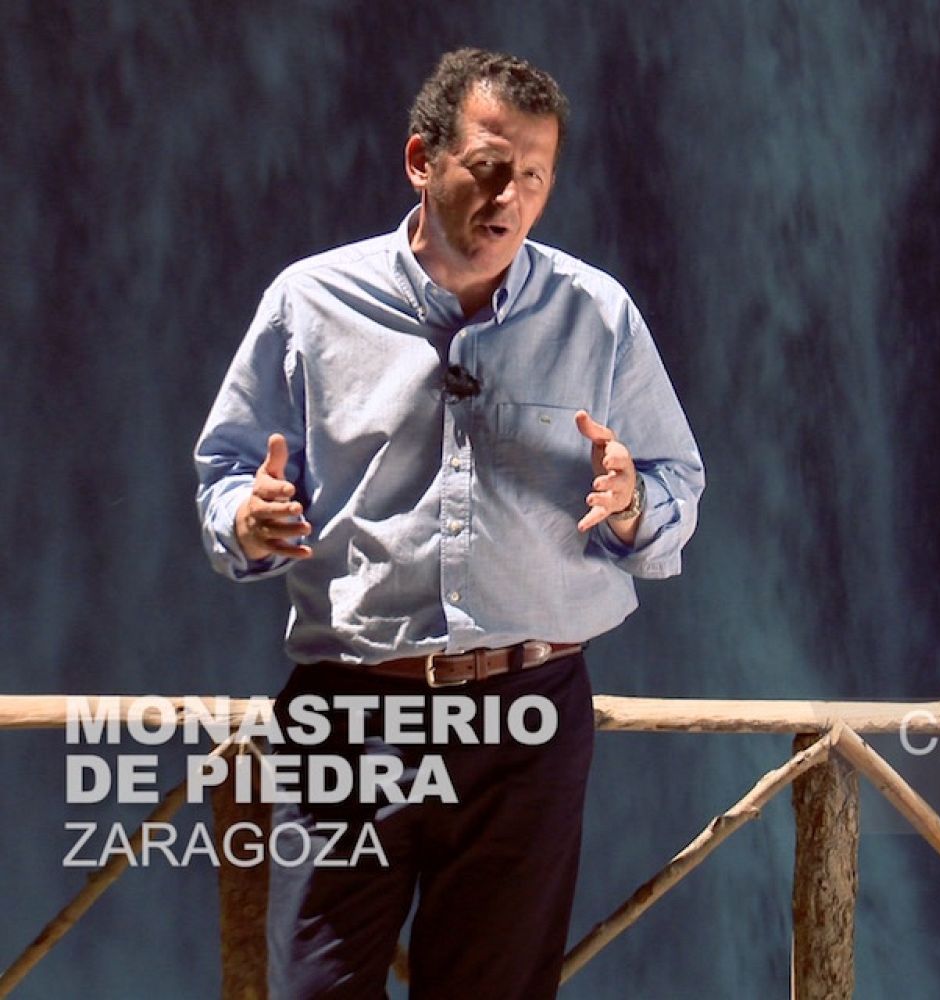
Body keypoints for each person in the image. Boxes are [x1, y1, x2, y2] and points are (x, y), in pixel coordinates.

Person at [194, 48, 704, 999]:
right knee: (314, 987)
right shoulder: (309, 304)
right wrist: (247, 519)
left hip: (528, 718)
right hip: (351, 714)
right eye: (490, 164)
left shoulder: (599, 316)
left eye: (537, 176)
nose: (511, 194)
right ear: (421, 160)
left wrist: (634, 505)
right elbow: (226, 474)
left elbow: (676, 480)